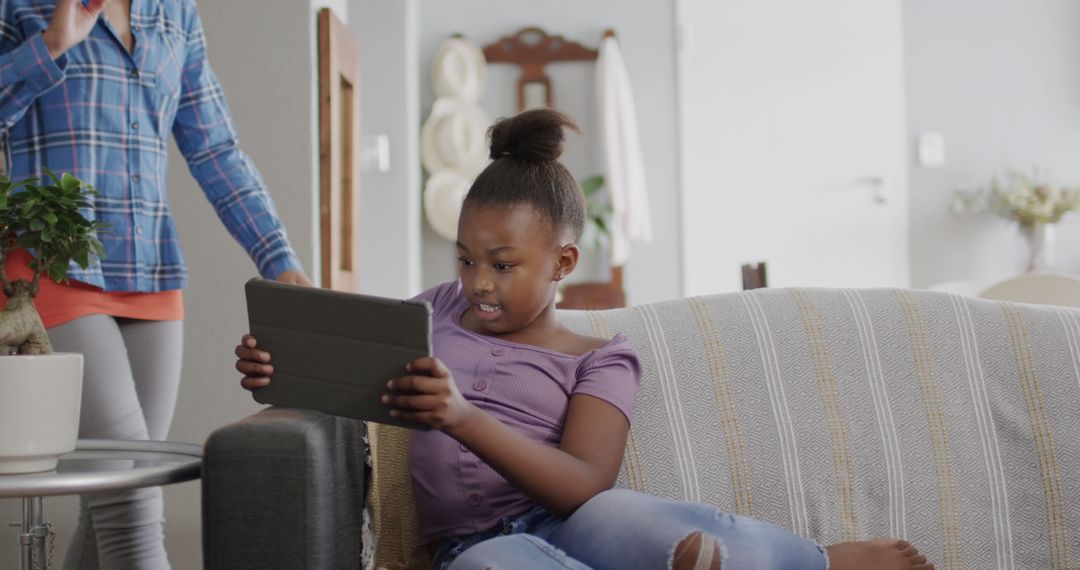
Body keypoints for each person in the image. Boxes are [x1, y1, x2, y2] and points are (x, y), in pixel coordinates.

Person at [235, 109, 934, 570]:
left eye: (503, 266)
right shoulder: (435, 311)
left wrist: (463, 418)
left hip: (571, 519)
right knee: (488, 568)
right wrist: (279, 364)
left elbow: (583, 486)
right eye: (466, 259)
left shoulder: (601, 358)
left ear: (562, 264)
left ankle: (820, 561)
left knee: (657, 528)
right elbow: (347, 353)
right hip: (471, 546)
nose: (479, 283)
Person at [1, 0, 310, 567]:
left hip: (151, 272)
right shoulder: (21, 6)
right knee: (133, 512)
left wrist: (277, 257)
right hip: (54, 266)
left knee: (109, 510)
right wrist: (49, 46)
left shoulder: (174, 15)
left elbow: (215, 148)